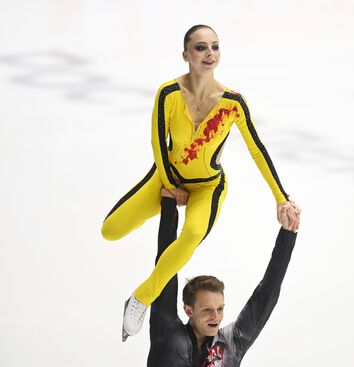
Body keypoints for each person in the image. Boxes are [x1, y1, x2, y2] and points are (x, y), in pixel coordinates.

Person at [101, 24, 299, 339]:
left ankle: (141, 297)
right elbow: (157, 143)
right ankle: (144, 285)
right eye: (200, 47)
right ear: (185, 54)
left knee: (192, 233)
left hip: (208, 187)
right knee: (110, 230)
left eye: (215, 47)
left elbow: (257, 150)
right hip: (167, 176)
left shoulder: (233, 103)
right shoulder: (167, 93)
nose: (209, 54)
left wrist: (281, 196)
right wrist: (169, 185)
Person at [146, 194, 299, 366]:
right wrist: (169, 203)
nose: (215, 316)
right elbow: (165, 270)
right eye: (207, 310)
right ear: (189, 310)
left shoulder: (232, 342)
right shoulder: (167, 334)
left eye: (220, 308)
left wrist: (288, 232)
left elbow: (266, 294)